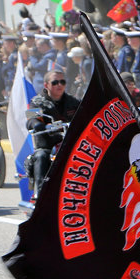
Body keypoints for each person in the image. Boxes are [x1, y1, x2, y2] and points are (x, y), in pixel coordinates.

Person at [26, 68, 81, 196]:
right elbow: (30, 119)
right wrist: (39, 125)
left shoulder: (73, 102)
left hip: (69, 144)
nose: (59, 85)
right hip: (47, 144)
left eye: (62, 82)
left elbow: (84, 116)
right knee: (41, 156)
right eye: (55, 82)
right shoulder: (36, 102)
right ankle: (40, 195)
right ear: (46, 85)